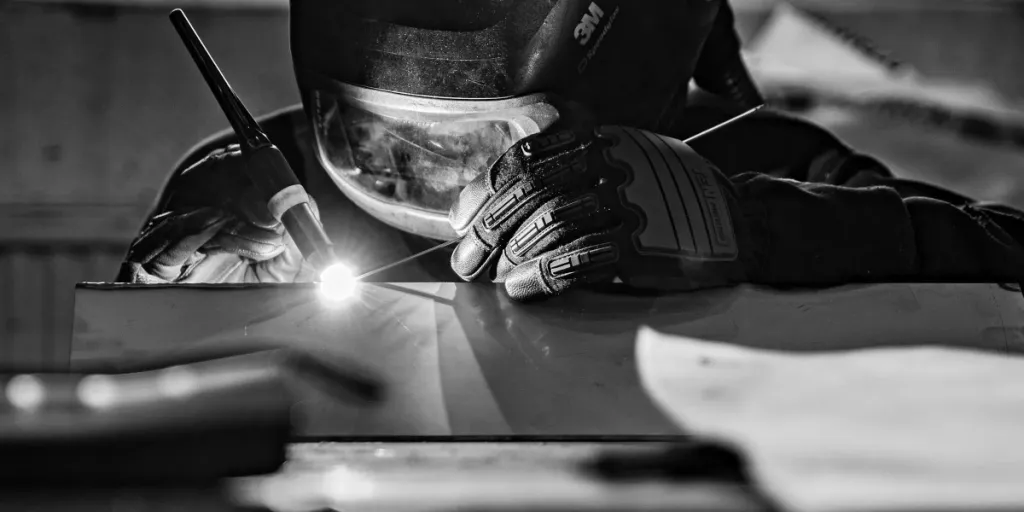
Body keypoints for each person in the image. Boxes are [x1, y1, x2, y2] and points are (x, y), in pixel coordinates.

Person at [118, 0, 1024, 301]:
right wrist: (178, 321)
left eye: (486, 147)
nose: (442, 187)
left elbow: (1003, 256)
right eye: (381, 145)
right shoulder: (259, 185)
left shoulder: (755, 153)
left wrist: (757, 229)